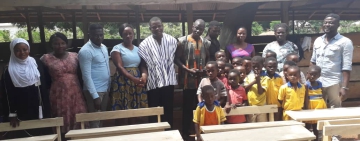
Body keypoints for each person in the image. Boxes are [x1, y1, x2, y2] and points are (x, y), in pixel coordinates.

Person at [0, 38, 51, 139]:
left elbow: (46, 82)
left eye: (25, 49)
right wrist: (12, 115)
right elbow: (7, 94)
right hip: (22, 109)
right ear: (12, 51)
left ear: (29, 50)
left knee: (44, 134)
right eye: (18, 50)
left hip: (40, 106)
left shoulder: (36, 63)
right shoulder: (9, 71)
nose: (22, 52)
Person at [40, 33, 87, 136]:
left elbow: (81, 74)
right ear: (51, 45)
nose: (60, 46)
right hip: (58, 93)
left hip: (76, 93)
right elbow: (44, 79)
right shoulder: (46, 59)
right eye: (56, 43)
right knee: (61, 117)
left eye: (62, 43)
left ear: (66, 44)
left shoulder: (75, 56)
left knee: (77, 116)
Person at [138, 17, 178, 128]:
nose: (157, 28)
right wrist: (144, 75)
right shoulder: (144, 44)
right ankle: (155, 134)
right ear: (150, 28)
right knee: (154, 110)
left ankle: (169, 134)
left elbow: (178, 57)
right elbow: (143, 64)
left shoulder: (172, 41)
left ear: (163, 26)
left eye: (159, 26)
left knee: (168, 109)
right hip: (153, 82)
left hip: (168, 81)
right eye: (154, 27)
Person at [176, 19, 210, 138]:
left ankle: (200, 131)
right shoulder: (182, 41)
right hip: (187, 80)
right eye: (196, 27)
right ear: (192, 27)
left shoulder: (206, 42)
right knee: (187, 107)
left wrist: (204, 69)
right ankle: (186, 132)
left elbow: (208, 59)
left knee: (200, 106)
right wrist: (187, 69)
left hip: (201, 81)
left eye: (201, 29)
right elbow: (177, 59)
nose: (198, 30)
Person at [310, 13, 353, 108]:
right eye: (325, 22)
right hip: (318, 81)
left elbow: (346, 66)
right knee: (317, 107)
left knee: (336, 108)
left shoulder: (345, 42)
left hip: (334, 82)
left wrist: (344, 87)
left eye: (331, 23)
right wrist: (310, 79)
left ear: (338, 25)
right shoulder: (318, 40)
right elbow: (313, 61)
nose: (327, 25)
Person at [110, 23, 148, 124]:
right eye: (125, 34)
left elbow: (142, 65)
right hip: (123, 82)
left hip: (137, 83)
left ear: (133, 34)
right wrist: (134, 79)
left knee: (134, 109)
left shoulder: (138, 49)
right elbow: (120, 67)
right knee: (122, 110)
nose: (128, 36)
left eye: (130, 33)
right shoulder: (117, 48)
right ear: (121, 35)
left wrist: (144, 76)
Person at [78, 24, 110, 128]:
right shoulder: (85, 51)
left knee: (102, 119)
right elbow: (86, 76)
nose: (99, 37)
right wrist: (95, 96)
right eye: (96, 35)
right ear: (89, 35)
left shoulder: (104, 47)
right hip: (95, 91)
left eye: (101, 35)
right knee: (95, 120)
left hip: (105, 89)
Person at [244, 56, 270, 122]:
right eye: (253, 66)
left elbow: (260, 92)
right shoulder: (248, 77)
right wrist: (254, 81)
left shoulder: (266, 78)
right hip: (251, 105)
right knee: (252, 126)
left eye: (258, 66)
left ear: (262, 65)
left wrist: (258, 81)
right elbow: (245, 88)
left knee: (262, 126)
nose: (256, 68)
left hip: (261, 106)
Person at [304, 65, 327, 141]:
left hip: (319, 106)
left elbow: (322, 95)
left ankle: (316, 139)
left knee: (316, 126)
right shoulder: (306, 85)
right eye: (311, 74)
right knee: (308, 125)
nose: (312, 76)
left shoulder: (320, 84)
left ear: (319, 75)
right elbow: (306, 97)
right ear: (307, 73)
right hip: (310, 106)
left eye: (315, 75)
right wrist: (306, 108)